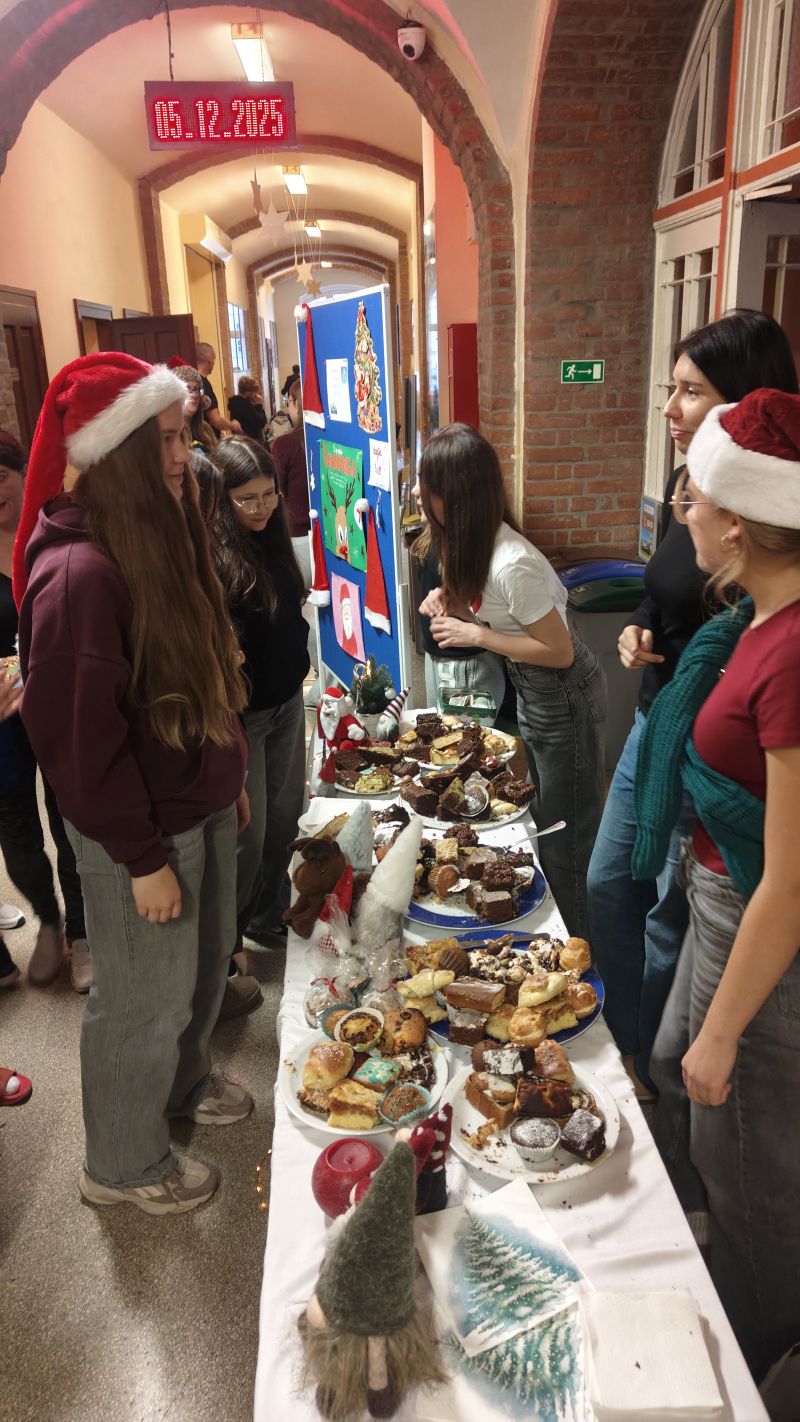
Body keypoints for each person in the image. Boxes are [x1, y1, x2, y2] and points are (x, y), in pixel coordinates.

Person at [15, 352, 252, 1215]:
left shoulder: (151, 533)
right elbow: (78, 747)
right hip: (140, 831)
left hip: (194, 801)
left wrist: (229, 773)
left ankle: (180, 1088)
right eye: (163, 441)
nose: (185, 455)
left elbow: (201, 666)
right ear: (111, 453)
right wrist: (142, 858)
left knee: (197, 972)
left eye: (182, 434)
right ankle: (120, 1165)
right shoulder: (77, 574)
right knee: (139, 1002)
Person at [586, 311, 799, 1104]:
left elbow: (786, 881)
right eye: (670, 389)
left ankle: (654, 1072)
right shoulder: (703, 493)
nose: (671, 408)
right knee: (615, 885)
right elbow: (670, 591)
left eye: (690, 391)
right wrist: (643, 628)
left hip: (716, 755)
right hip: (671, 721)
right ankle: (633, 1048)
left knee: (671, 919)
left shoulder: (776, 615)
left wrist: (718, 1038)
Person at [633, 387, 800, 1379]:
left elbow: (790, 879)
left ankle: (756, 1360)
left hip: (754, 924)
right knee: (672, 1072)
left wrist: (725, 1030)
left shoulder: (791, 650)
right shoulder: (756, 617)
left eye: (690, 498)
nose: (679, 513)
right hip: (716, 901)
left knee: (749, 1173)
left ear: (736, 521)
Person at [417, 423, 607, 936]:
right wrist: (448, 599)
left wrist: (476, 634)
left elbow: (558, 651)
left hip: (563, 692)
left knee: (568, 835)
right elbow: (493, 606)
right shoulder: (473, 542)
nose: (420, 496)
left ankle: (580, 949)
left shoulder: (512, 561)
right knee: (542, 816)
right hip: (535, 688)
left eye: (428, 486)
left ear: (456, 495)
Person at [202, 436, 309, 951]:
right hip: (245, 715)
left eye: (269, 495)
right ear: (223, 499)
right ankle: (228, 941)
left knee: (286, 821)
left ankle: (267, 915)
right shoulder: (213, 555)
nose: (262, 507)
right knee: (250, 833)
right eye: (247, 499)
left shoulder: (273, 536)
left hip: (288, 700)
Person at [0, 428, 92, 993]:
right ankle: (48, 919)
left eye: (1, 479)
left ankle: (82, 932)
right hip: (4, 723)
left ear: (22, 474)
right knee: (17, 835)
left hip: (62, 706)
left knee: (71, 821)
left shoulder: (52, 531)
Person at [412, 473, 507, 722]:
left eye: (425, 481)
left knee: (466, 742)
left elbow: (492, 616)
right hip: (438, 657)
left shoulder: (472, 543)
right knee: (439, 737)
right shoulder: (438, 531)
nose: (414, 491)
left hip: (468, 666)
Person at [272, 379, 321, 702]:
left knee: (303, 617)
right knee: (324, 616)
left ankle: (318, 680)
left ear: (294, 403)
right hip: (327, 542)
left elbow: (278, 493)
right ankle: (327, 679)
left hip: (296, 541)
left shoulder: (285, 445)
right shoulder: (325, 442)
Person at [195, 342, 242, 438]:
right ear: (209, 359)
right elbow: (215, 420)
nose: (213, 363)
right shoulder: (203, 383)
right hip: (206, 438)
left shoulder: (194, 380)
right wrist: (232, 425)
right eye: (213, 359)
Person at [172, 363, 217, 453]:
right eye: (187, 389)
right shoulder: (171, 431)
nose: (194, 394)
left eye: (196, 389)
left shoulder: (205, 428)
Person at [228, 375, 268, 443]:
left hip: (241, 441)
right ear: (250, 392)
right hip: (251, 442)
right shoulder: (244, 405)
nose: (257, 395)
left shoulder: (235, 403)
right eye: (255, 392)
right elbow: (261, 423)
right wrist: (259, 405)